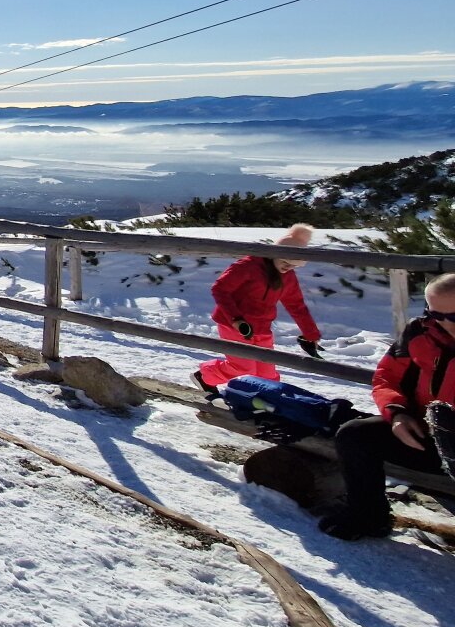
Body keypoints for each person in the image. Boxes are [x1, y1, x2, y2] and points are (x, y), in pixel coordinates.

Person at [318, 272, 455, 540]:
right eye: (438, 315)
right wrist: (398, 414)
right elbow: (387, 377)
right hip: (426, 436)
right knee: (354, 435)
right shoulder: (420, 332)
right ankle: (368, 516)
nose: (447, 324)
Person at [194, 223, 323, 397]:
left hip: (262, 327)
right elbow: (220, 289)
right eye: (285, 262)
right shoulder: (249, 265)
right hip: (235, 324)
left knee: (267, 372)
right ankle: (204, 376)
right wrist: (236, 319)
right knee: (242, 366)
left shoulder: (288, 277)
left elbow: (297, 305)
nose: (288, 267)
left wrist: (311, 334)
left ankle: (266, 400)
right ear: (275, 253)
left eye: (294, 265)